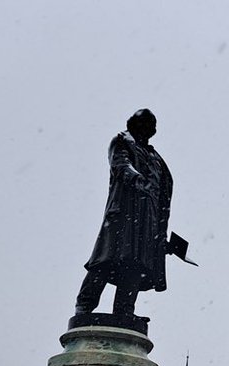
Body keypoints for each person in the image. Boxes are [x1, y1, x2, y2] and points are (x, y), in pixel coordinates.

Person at [75, 108, 187, 317]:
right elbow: (121, 166)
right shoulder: (122, 142)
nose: (149, 130)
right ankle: (84, 306)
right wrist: (139, 180)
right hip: (124, 215)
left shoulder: (156, 158)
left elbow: (163, 195)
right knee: (105, 261)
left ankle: (124, 311)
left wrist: (161, 236)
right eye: (145, 125)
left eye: (151, 126)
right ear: (134, 125)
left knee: (135, 266)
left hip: (148, 221)